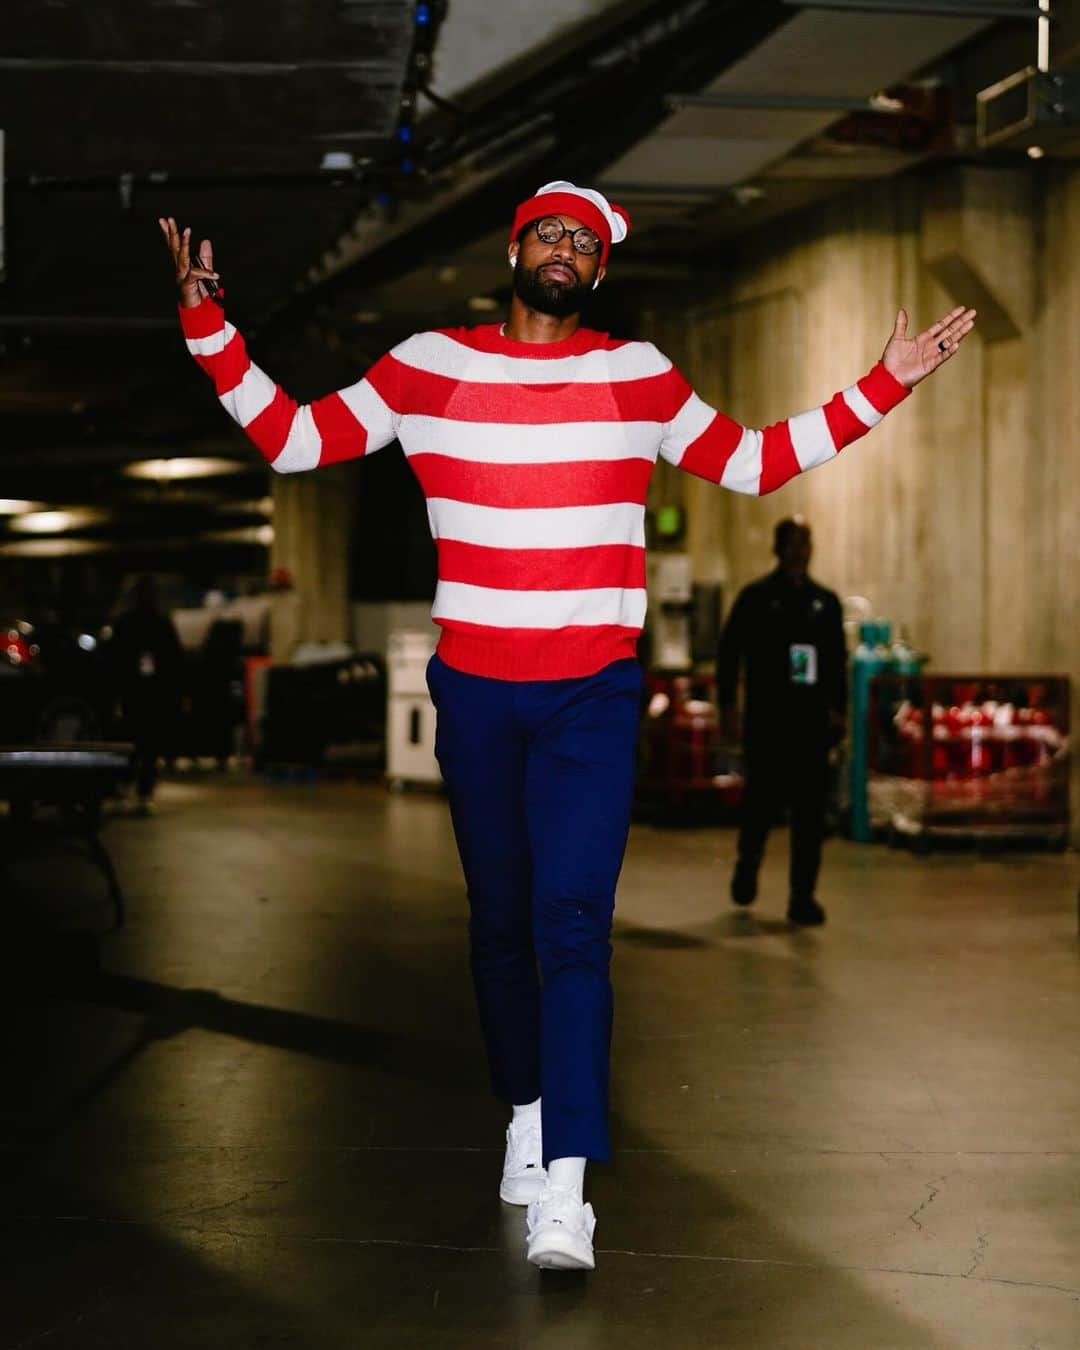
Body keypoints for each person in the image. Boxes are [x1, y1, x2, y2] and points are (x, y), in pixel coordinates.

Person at [159, 182, 975, 1271]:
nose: (567, 247)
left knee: (573, 923)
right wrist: (208, 325)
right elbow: (293, 438)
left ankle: (568, 1190)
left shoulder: (637, 375)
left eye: (586, 241)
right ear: (515, 251)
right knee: (499, 926)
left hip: (591, 693)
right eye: (550, 230)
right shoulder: (429, 367)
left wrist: (885, 382)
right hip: (476, 693)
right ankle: (528, 1113)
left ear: (599, 271)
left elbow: (756, 460)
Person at [717, 518, 847, 927]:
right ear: (778, 549)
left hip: (810, 726)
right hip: (767, 724)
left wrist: (839, 710)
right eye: (792, 544)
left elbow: (836, 663)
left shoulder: (825, 603)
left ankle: (802, 897)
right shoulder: (755, 599)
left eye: (806, 543)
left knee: (810, 815)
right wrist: (728, 709)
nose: (800, 552)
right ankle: (747, 866)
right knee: (759, 806)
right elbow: (728, 656)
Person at [105, 576, 184, 812]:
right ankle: (144, 793)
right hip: (154, 692)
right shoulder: (161, 622)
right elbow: (174, 660)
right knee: (149, 744)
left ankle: (123, 788)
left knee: (128, 741)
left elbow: (112, 659)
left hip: (131, 689)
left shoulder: (124, 623)